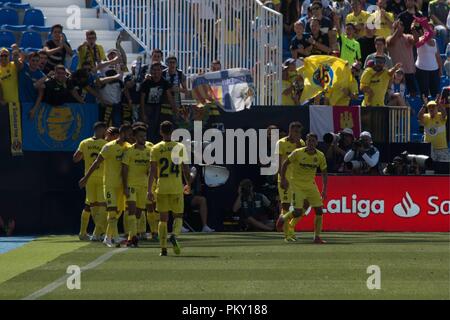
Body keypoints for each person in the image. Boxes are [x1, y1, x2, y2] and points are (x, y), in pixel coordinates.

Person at [79, 124, 133, 247]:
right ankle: (108, 238)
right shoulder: (108, 147)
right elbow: (96, 163)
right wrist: (85, 178)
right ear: (123, 133)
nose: (131, 137)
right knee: (112, 210)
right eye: (129, 134)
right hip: (109, 184)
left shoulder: (128, 148)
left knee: (118, 212)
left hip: (122, 186)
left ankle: (111, 236)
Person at [147, 121, 191, 256]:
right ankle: (175, 235)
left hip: (162, 187)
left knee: (163, 219)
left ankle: (163, 248)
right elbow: (185, 168)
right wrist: (188, 183)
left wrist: (149, 189)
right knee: (178, 216)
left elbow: (152, 171)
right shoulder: (179, 146)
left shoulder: (155, 148)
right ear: (172, 132)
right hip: (176, 186)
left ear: (160, 132)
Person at [277, 133, 328, 244]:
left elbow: (324, 173)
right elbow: (285, 164)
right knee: (297, 212)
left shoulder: (320, 156)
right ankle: (284, 218)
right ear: (306, 141)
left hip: (311, 185)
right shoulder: (298, 153)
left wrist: (324, 189)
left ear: (316, 143)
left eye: (313, 141)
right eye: (309, 141)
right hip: (296, 185)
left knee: (319, 211)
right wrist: (284, 179)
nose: (311, 143)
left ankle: (317, 237)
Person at [73, 122, 108, 241]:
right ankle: (99, 232)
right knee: (102, 205)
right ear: (102, 130)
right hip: (102, 178)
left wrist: (85, 155)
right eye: (105, 130)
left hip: (89, 178)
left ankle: (86, 233)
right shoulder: (105, 144)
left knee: (91, 205)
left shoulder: (84, 142)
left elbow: (75, 158)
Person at [275, 122, 305, 241]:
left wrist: (297, 143)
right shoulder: (281, 143)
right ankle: (287, 235)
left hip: (297, 180)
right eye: (295, 131)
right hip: (285, 179)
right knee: (286, 205)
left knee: (302, 206)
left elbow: (301, 159)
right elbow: (279, 162)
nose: (297, 134)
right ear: (290, 131)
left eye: (299, 132)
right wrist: (282, 178)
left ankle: (290, 226)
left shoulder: (301, 143)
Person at [121, 126, 151, 247]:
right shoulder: (129, 152)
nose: (143, 138)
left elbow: (152, 169)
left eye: (144, 136)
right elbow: (124, 170)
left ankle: (132, 237)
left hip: (143, 186)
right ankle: (132, 237)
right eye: (140, 136)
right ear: (134, 137)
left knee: (139, 212)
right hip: (131, 185)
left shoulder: (149, 151)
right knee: (132, 210)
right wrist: (125, 187)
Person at [139, 62, 176, 142]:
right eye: (154, 70)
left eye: (158, 70)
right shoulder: (146, 82)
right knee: (149, 128)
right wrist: (143, 114)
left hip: (159, 108)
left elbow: (169, 96)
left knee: (158, 128)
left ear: (161, 71)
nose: (156, 72)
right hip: (147, 107)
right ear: (151, 71)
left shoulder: (164, 82)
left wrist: (174, 109)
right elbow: (142, 99)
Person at [413, 18, 443, 98]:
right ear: (423, 29)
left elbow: (438, 57)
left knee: (436, 93)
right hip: (422, 70)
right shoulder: (419, 39)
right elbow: (417, 44)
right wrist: (413, 29)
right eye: (426, 28)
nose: (428, 30)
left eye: (431, 28)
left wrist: (440, 69)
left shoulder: (435, 41)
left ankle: (436, 109)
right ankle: (425, 109)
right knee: (424, 93)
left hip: (434, 70)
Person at [387, 19, 417, 96]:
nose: (399, 28)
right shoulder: (389, 38)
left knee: (413, 93)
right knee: (395, 94)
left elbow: (416, 40)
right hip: (396, 73)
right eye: (397, 26)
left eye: (401, 26)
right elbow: (391, 42)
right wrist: (397, 30)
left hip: (409, 70)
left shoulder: (408, 37)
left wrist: (413, 30)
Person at [184, 165, 215, 233]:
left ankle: (205, 226)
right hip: (176, 194)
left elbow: (190, 180)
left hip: (187, 196)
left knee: (202, 200)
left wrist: (185, 170)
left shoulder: (192, 168)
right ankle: (179, 225)